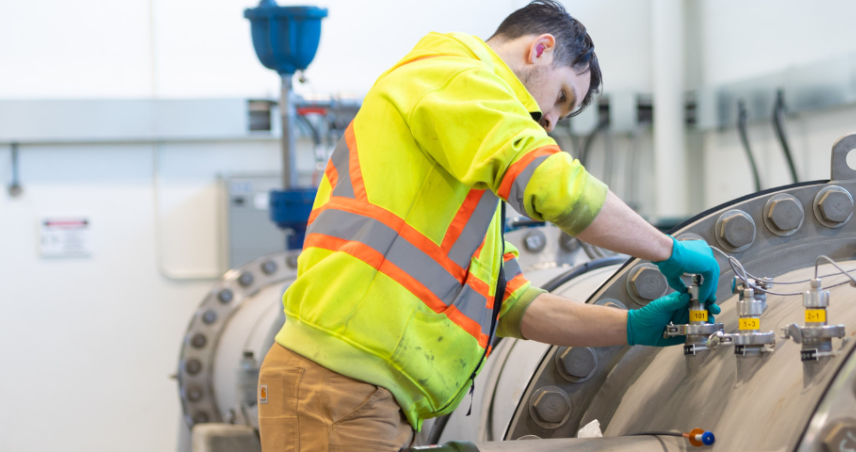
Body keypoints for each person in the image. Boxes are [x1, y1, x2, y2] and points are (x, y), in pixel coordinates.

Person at [254, 2, 721, 450]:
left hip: (364, 395)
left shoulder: (471, 165)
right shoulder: (453, 74)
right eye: (560, 96)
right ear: (540, 49)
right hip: (342, 386)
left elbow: (513, 305)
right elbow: (554, 185)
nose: (551, 121)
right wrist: (668, 249)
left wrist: (633, 326)